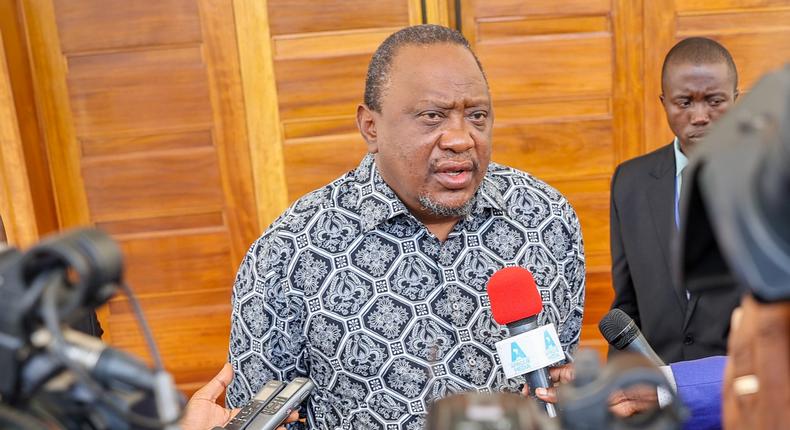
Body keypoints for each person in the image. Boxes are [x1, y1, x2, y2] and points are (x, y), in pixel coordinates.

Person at [226, 24, 585, 428]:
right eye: (432, 116)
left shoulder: (545, 216)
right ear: (370, 127)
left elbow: (559, 372)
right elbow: (256, 419)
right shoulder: (287, 255)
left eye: (477, 116)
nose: (460, 139)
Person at [609, 37, 742, 363]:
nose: (699, 116)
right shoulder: (630, 182)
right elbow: (627, 306)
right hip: (659, 394)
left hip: (747, 390)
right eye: (685, 102)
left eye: (714, 101)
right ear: (664, 102)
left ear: (736, 100)